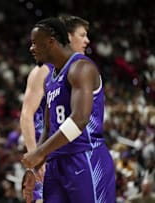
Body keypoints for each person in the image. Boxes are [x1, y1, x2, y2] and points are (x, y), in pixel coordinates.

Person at [21, 17, 115, 203]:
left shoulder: (81, 67)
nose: (31, 48)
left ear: (50, 41)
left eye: (34, 43)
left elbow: (79, 120)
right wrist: (35, 167)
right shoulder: (50, 79)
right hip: (56, 164)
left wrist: (39, 153)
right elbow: (48, 128)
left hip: (85, 157)